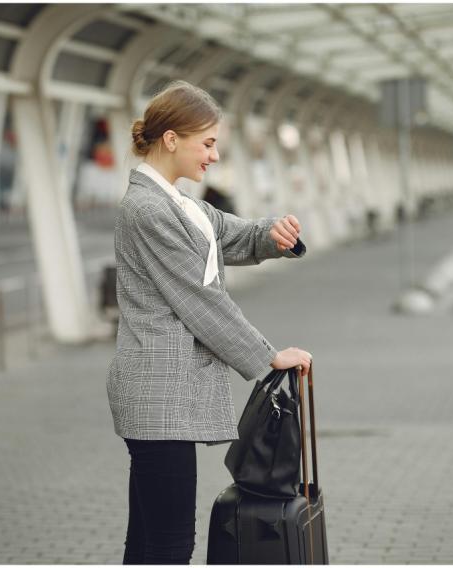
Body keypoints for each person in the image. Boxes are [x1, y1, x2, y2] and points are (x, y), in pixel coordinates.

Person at [106, 80, 313, 565]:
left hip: (162, 396)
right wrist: (267, 356)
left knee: (150, 541)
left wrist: (274, 235)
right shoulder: (147, 209)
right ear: (172, 138)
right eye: (208, 143)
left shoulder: (181, 205)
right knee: (171, 542)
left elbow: (233, 234)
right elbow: (199, 300)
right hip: (157, 396)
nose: (214, 156)